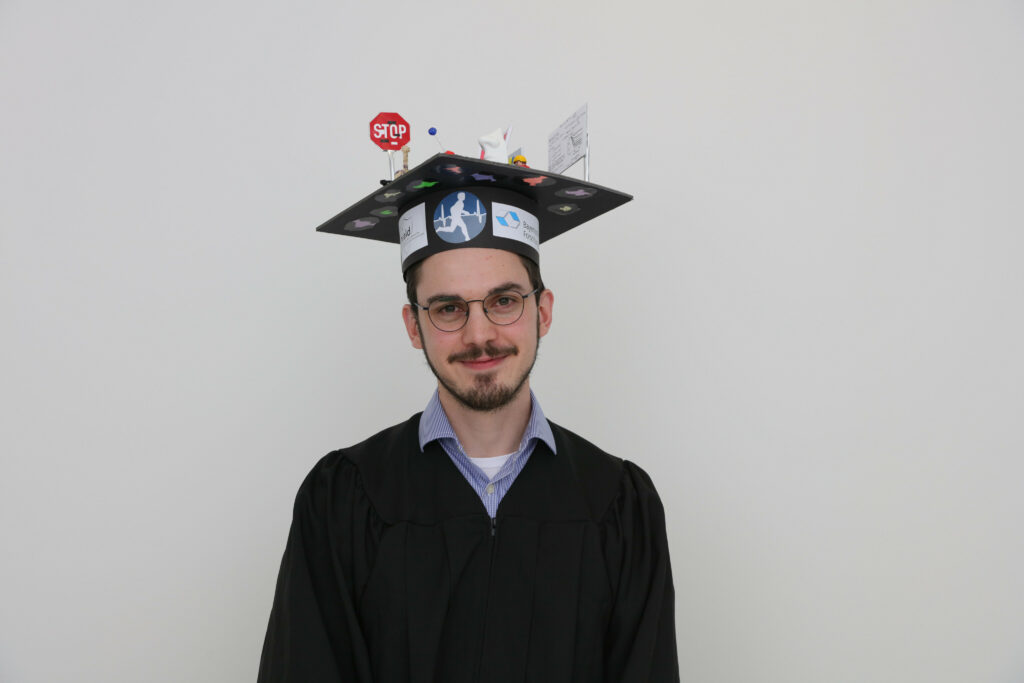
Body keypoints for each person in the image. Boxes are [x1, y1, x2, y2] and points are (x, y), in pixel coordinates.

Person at [258, 152, 679, 682]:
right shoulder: (342, 499)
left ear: (543, 311)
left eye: (503, 301)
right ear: (414, 326)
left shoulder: (619, 504)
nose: (479, 335)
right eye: (448, 309)